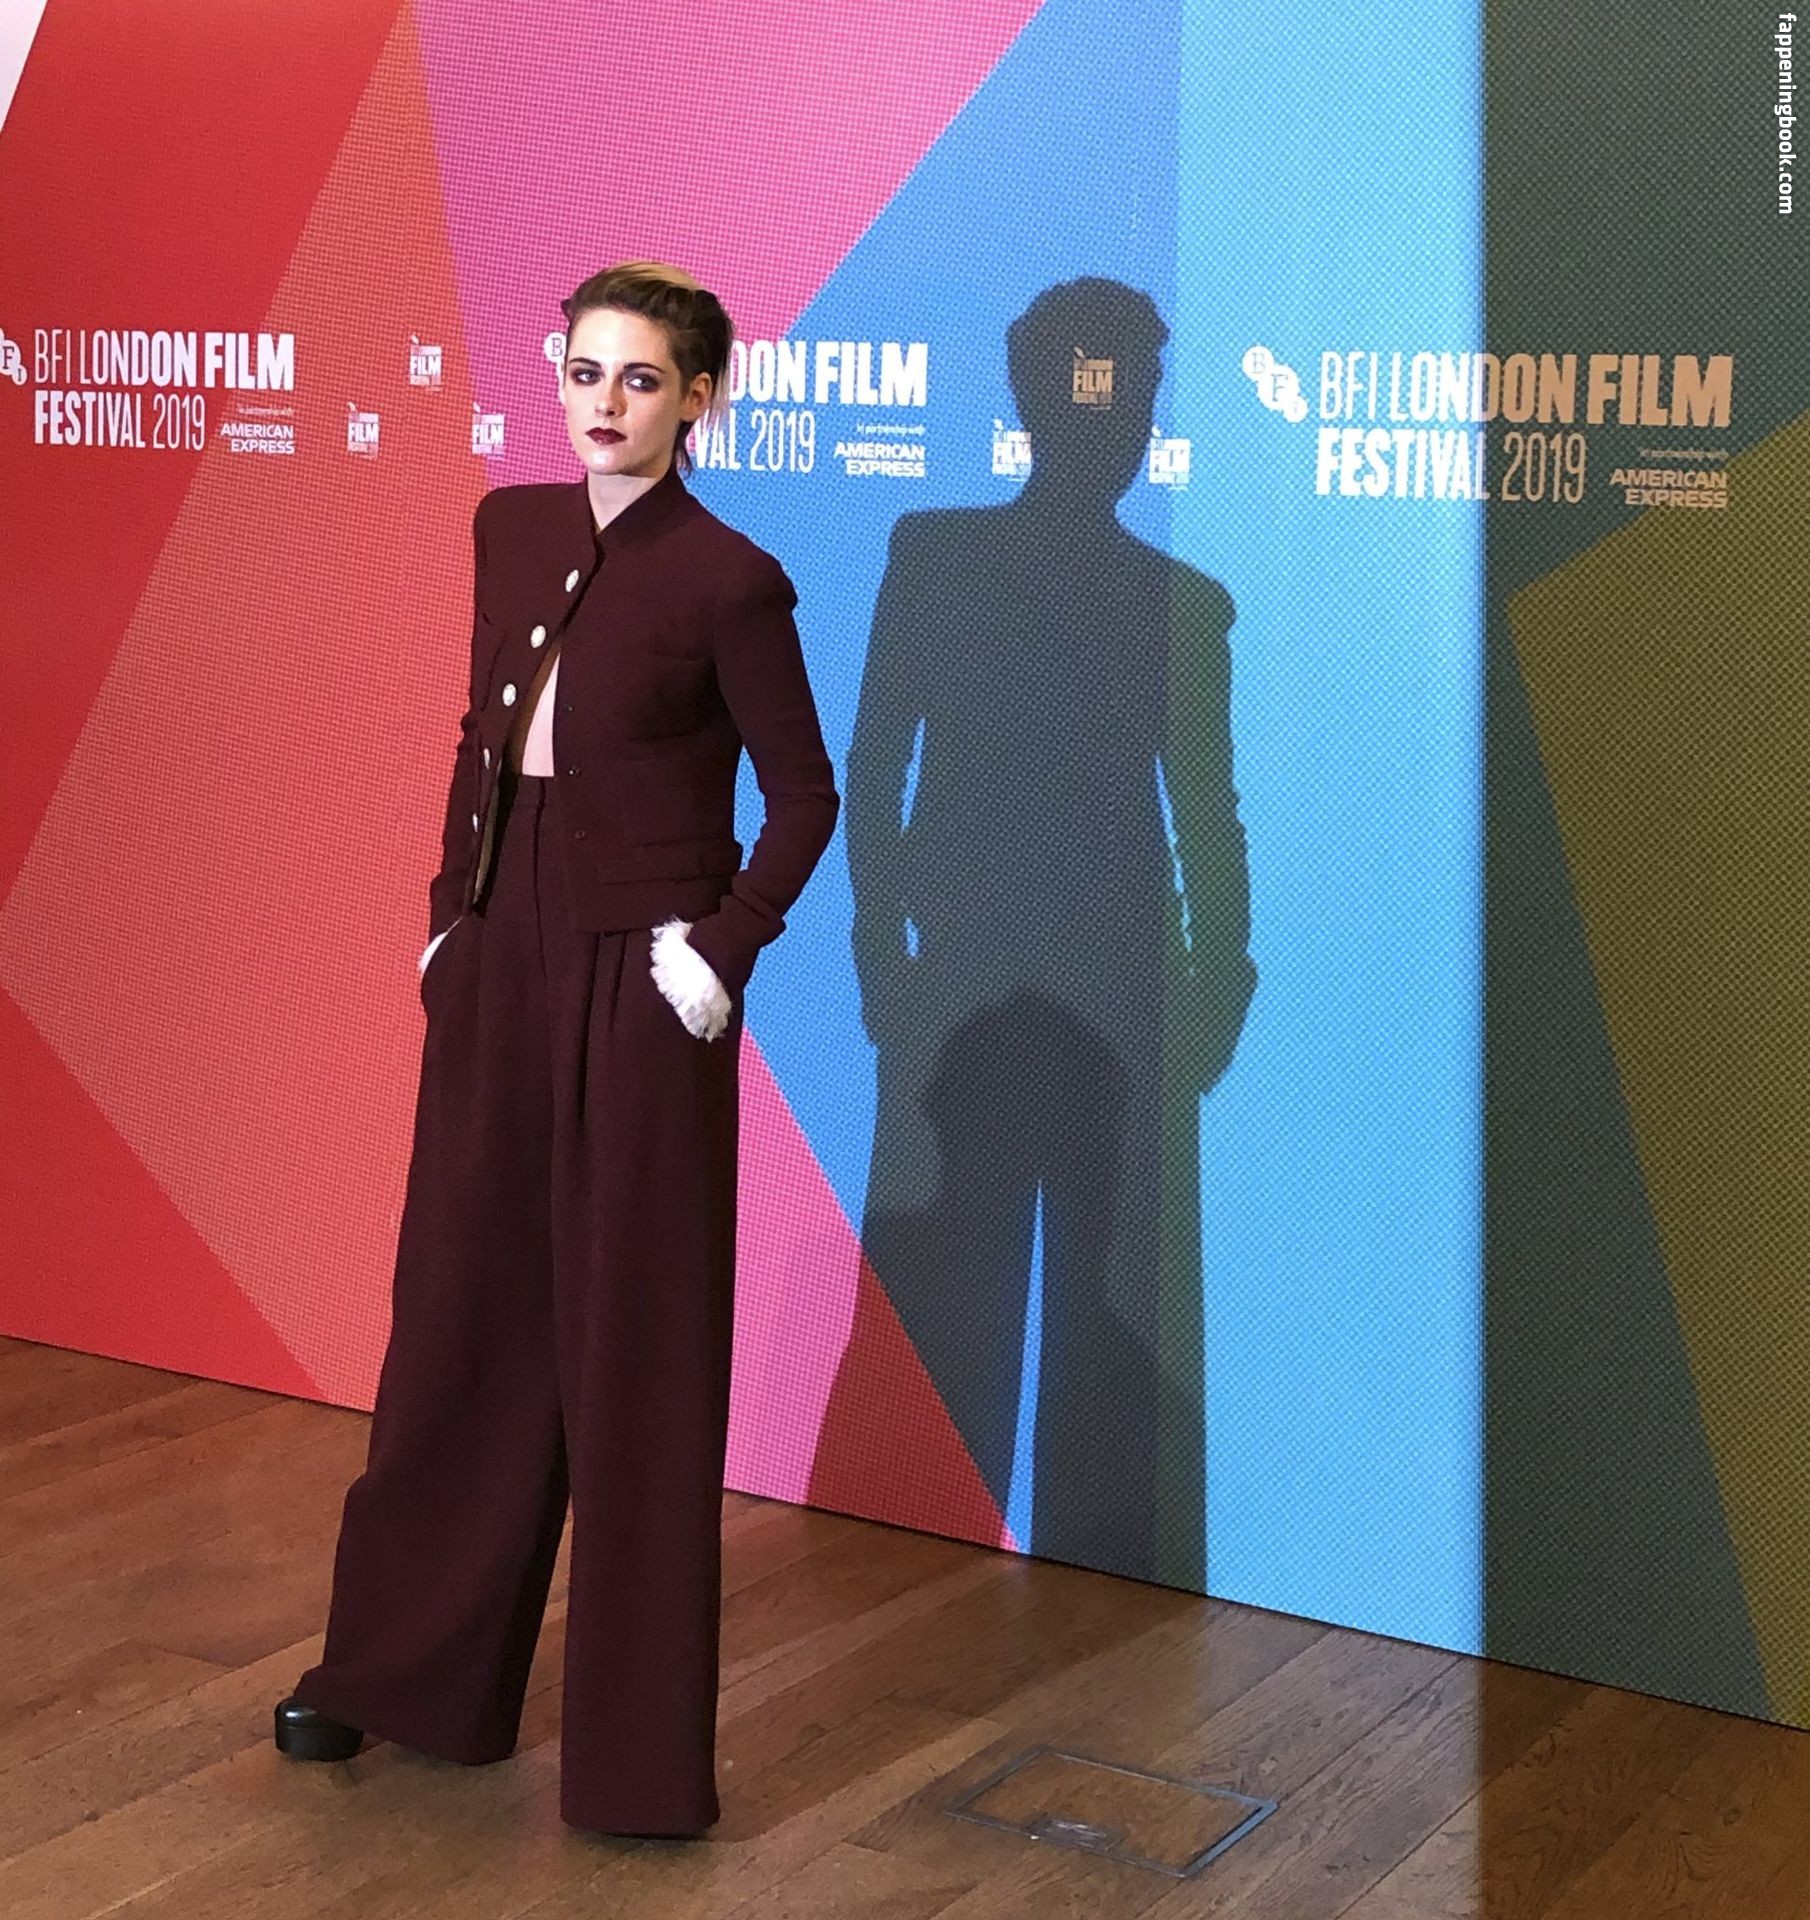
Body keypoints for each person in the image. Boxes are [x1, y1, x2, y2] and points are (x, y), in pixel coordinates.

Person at [272, 261, 841, 1838]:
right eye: (586, 370)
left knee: (635, 1357)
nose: (604, 401)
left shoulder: (731, 578)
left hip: (644, 981)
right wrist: (445, 922)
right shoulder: (508, 526)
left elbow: (805, 794)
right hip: (500, 953)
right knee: (454, 1317)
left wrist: (718, 951)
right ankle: (398, 1678)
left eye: (640, 378)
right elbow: (480, 737)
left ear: (698, 399)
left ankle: (637, 1770)